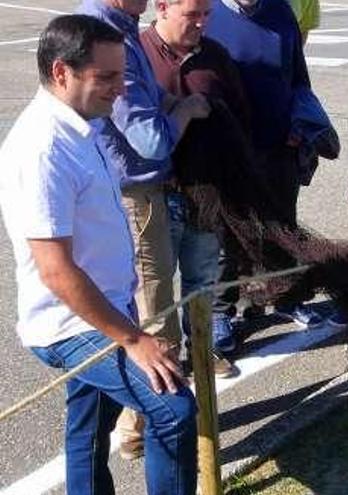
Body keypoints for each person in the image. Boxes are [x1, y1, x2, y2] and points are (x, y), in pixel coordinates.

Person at [0, 15, 196, 495]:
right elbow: (55, 269)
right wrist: (132, 338)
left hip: (107, 306)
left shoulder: (81, 125)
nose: (118, 90)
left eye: (122, 76)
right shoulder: (42, 148)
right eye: (106, 78)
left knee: (89, 432)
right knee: (172, 408)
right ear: (62, 72)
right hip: (72, 324)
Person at [78, 0, 211, 460]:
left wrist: (168, 100)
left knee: (143, 304)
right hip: (135, 192)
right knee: (156, 312)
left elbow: (142, 102)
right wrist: (188, 109)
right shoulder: (104, 30)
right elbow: (149, 139)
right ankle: (152, 427)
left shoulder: (120, 24)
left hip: (130, 190)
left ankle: (138, 423)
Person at [205, 0, 342, 329]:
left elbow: (298, 80)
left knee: (281, 228)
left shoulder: (280, 11)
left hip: (279, 145)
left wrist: (299, 126)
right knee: (225, 236)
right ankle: (221, 313)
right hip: (226, 150)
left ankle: (285, 298)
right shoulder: (206, 12)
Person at [141, 0, 249, 376]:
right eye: (193, 15)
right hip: (157, 195)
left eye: (207, 14)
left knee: (201, 281)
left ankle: (203, 354)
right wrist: (183, 110)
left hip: (206, 195)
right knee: (153, 293)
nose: (202, 23)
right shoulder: (138, 53)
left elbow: (239, 112)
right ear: (163, 7)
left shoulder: (215, 55)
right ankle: (161, 364)